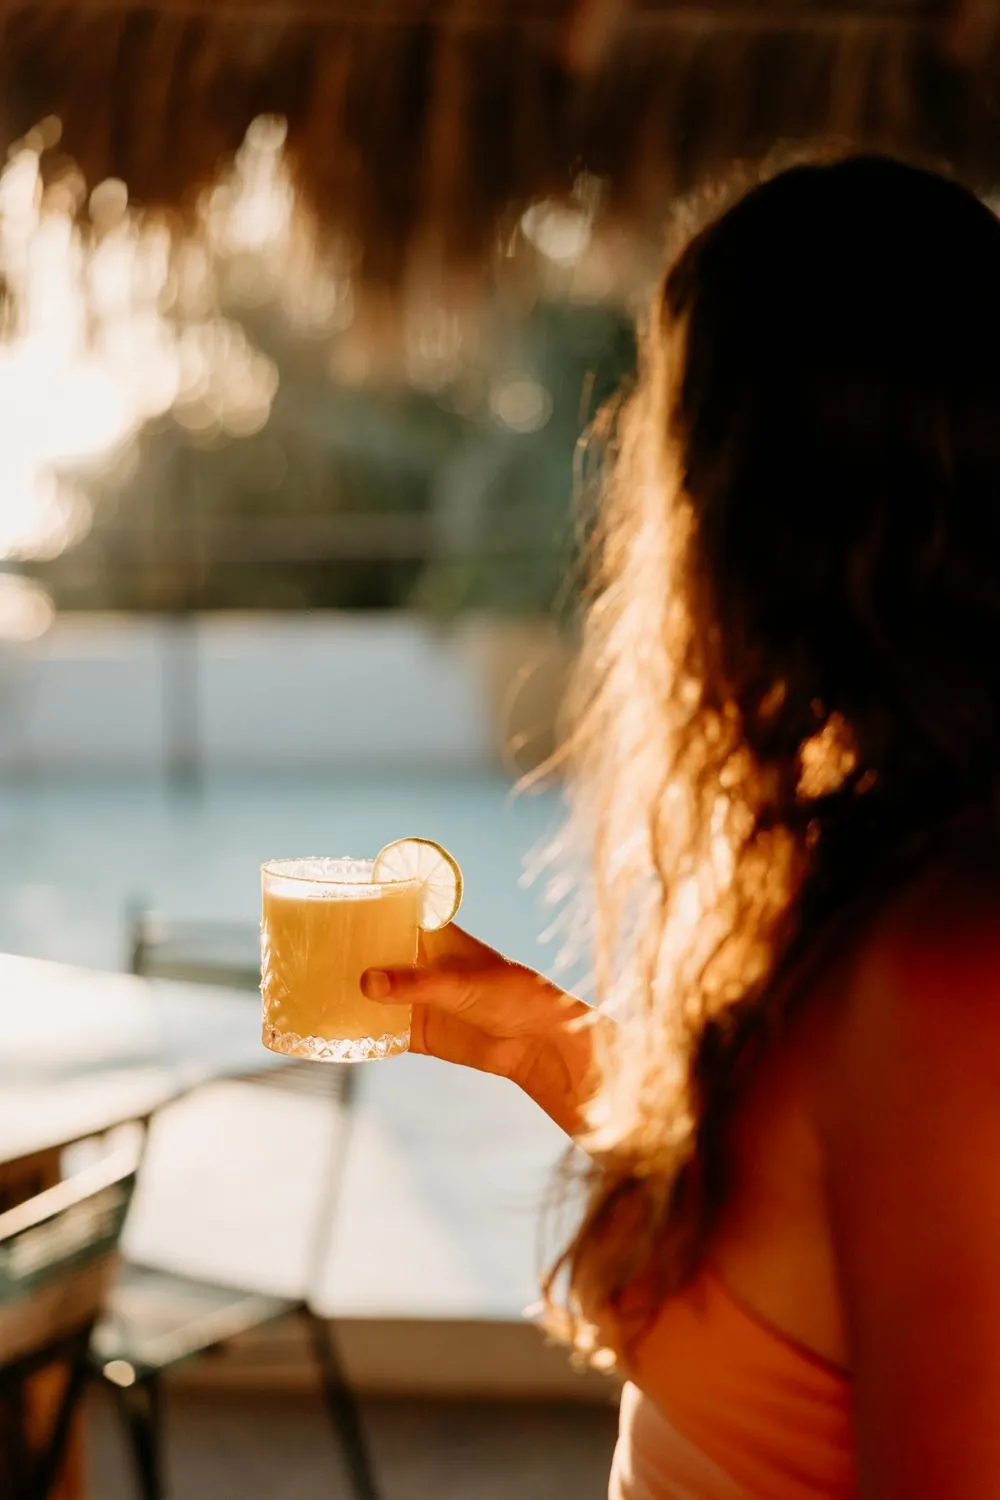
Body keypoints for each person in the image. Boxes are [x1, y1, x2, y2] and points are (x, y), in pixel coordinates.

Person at [363, 155, 1000, 1499]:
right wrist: (543, 1039)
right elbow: (817, 1222)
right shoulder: (879, 864)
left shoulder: (946, 976)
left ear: (761, 507)